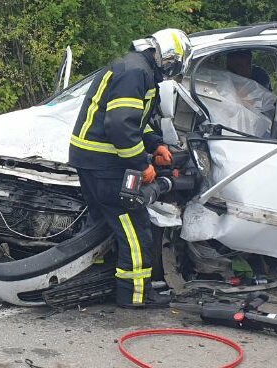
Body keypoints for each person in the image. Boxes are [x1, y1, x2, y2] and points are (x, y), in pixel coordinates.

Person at [67, 28, 190, 308]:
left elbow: (134, 121)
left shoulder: (133, 66)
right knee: (136, 228)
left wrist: (156, 144)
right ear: (169, 58)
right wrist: (141, 164)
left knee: (100, 223)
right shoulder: (137, 73)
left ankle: (92, 281)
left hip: (90, 160)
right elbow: (120, 126)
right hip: (104, 163)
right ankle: (135, 296)